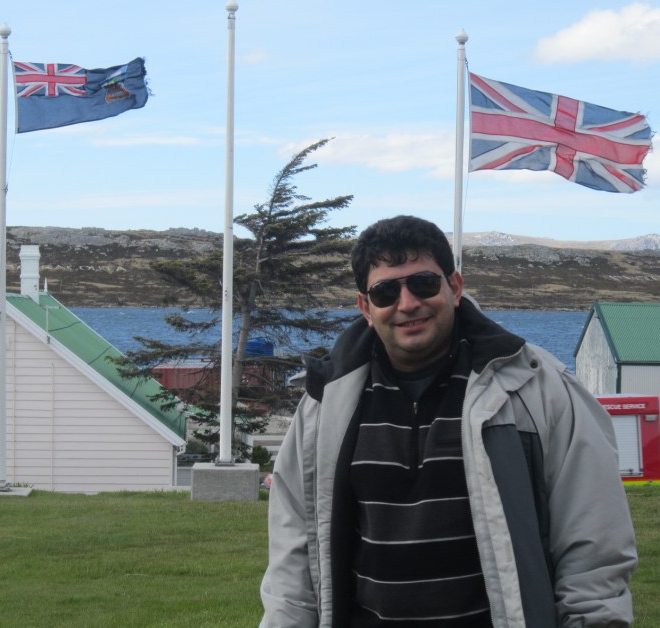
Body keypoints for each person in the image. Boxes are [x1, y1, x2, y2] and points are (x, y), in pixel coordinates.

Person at [259, 215, 636, 627]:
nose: (407, 303)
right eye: (385, 292)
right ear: (365, 307)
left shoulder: (536, 387)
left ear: (454, 287)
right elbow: (292, 554)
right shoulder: (324, 403)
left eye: (423, 283)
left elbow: (594, 541)